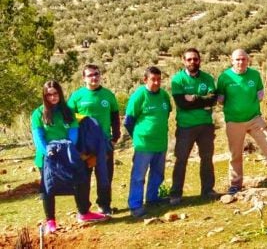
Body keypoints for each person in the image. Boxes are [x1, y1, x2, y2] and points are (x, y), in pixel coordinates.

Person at [33, 81, 107, 233]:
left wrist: (67, 148)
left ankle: (84, 213)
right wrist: (47, 150)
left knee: (80, 182)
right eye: (49, 95)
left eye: (55, 94)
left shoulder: (68, 112)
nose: (53, 97)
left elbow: (74, 132)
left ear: (60, 93)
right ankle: (51, 221)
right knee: (48, 188)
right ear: (44, 96)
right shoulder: (38, 113)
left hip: (68, 154)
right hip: (47, 157)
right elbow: (38, 136)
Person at [218, 49, 267, 193]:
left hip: (255, 119)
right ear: (232, 60)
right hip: (234, 121)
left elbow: (260, 94)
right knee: (235, 154)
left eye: (243, 59)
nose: (240, 62)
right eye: (237, 59)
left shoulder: (254, 75)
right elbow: (220, 99)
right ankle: (235, 185)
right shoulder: (224, 77)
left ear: (247, 60)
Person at [67, 64, 119, 215]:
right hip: (84, 145)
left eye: (96, 74)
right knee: (84, 178)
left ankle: (104, 205)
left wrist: (115, 137)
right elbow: (69, 118)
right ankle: (83, 209)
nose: (94, 77)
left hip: (104, 144)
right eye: (90, 75)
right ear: (84, 78)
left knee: (105, 176)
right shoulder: (77, 96)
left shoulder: (108, 95)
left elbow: (115, 117)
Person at [169, 48, 218, 206]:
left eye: (195, 59)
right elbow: (182, 104)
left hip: (206, 126)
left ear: (199, 60)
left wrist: (195, 98)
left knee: (207, 158)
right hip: (185, 127)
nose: (192, 62)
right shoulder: (178, 80)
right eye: (189, 59)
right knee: (181, 160)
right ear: (183, 61)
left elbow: (212, 100)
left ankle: (208, 190)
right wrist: (202, 102)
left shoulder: (207, 78)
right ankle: (176, 194)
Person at [124, 66, 172, 218]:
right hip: (144, 145)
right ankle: (135, 205)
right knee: (138, 176)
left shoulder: (164, 95)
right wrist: (138, 136)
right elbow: (128, 120)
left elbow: (167, 112)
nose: (157, 83)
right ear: (145, 79)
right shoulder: (139, 95)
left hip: (161, 143)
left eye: (159, 79)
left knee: (158, 174)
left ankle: (152, 198)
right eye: (153, 79)